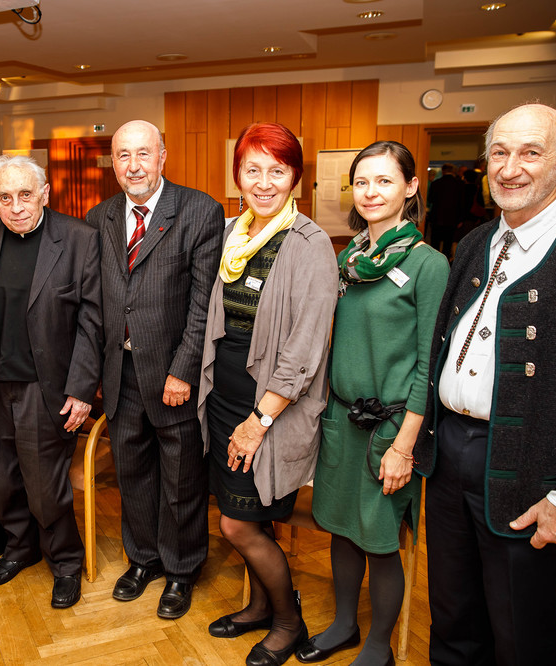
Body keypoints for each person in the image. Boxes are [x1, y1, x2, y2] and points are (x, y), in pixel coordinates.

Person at [414, 102, 556, 665]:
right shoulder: (478, 241)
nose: (509, 168)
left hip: (532, 472)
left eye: (531, 153)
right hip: (450, 458)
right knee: (452, 617)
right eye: (499, 153)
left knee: (522, 632)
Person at [301, 141, 449, 666]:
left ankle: (379, 646)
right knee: (341, 530)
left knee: (381, 540)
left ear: (411, 187)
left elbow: (429, 366)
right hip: (342, 419)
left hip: (391, 429)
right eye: (362, 182)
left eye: (385, 181)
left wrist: (404, 446)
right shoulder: (349, 258)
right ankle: (344, 625)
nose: (370, 192)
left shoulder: (429, 265)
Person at [198, 123, 338, 666]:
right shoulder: (230, 233)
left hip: (271, 406)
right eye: (252, 169)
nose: (263, 182)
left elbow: (306, 346)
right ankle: (259, 608)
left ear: (295, 178)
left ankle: (288, 621)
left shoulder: (310, 244)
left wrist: (259, 421)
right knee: (246, 519)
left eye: (276, 171)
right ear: (237, 175)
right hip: (224, 397)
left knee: (237, 523)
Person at [85, 120, 223, 620]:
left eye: (143, 153)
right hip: (119, 374)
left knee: (182, 478)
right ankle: (143, 559)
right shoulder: (98, 217)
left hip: (172, 374)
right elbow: (96, 303)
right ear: (114, 163)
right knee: (133, 476)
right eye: (123, 155)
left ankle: (182, 569)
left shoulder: (199, 210)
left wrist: (183, 369)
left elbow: (204, 302)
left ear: (163, 156)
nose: (134, 165)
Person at [0, 154, 102, 608]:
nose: (16, 206)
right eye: (5, 197)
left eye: (25, 195)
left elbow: (92, 322)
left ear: (44, 194)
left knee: (45, 486)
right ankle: (19, 548)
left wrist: (81, 389)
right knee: (3, 478)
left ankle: (66, 562)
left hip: (46, 386)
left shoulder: (78, 238)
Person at [426, 163, 463, 259]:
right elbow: (461, 203)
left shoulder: (436, 183)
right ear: (453, 171)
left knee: (435, 243)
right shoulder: (459, 184)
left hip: (437, 217)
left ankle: (433, 261)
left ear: (443, 171)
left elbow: (430, 199)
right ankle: (445, 263)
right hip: (452, 218)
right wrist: (460, 219)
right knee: (448, 244)